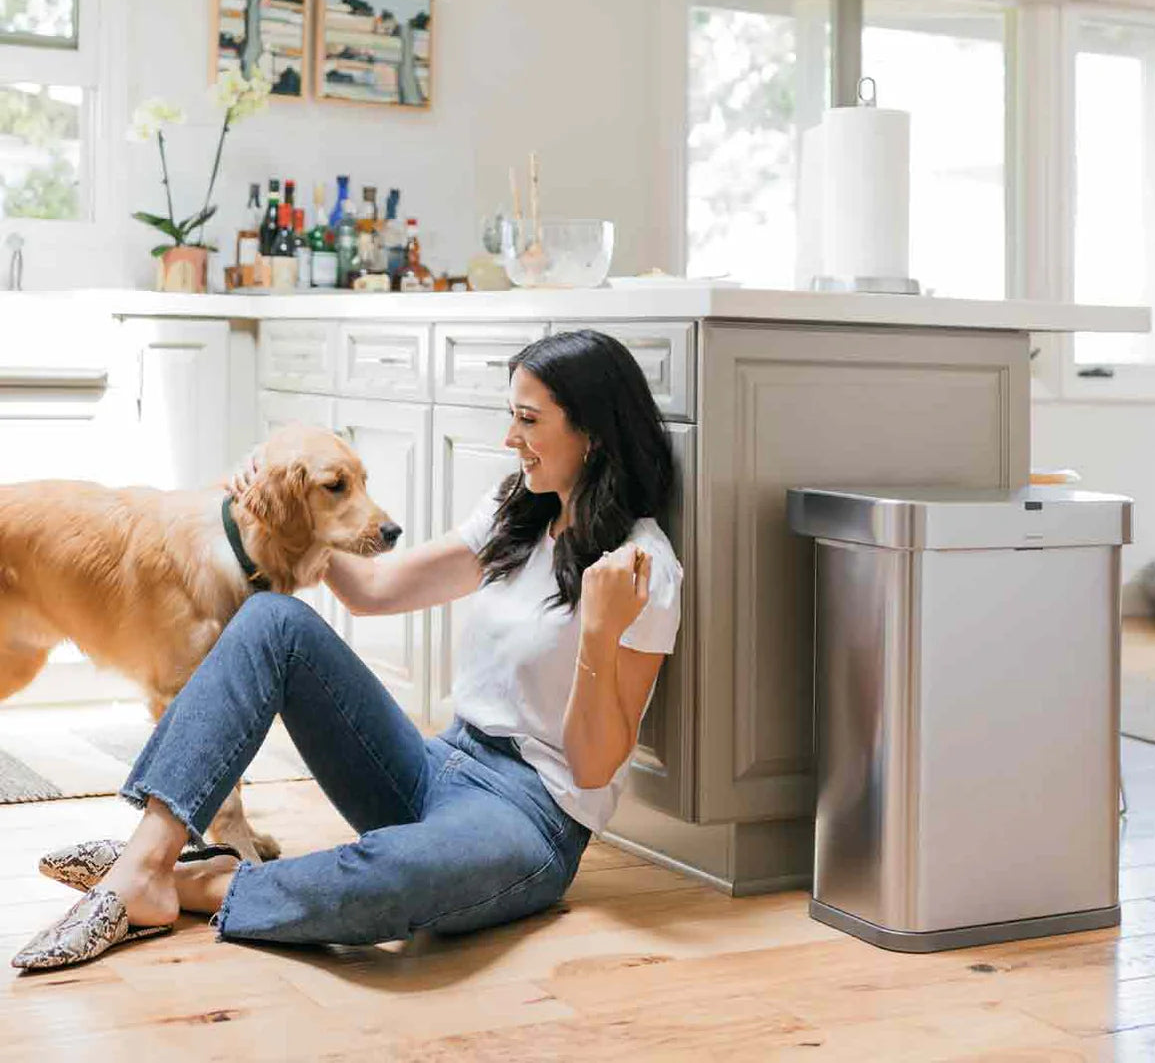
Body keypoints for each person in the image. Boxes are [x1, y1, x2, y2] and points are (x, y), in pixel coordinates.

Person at [12, 329, 683, 971]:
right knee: (272, 618)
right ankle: (147, 859)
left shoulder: (641, 567)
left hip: (532, 815)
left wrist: (597, 631)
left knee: (395, 877)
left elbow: (594, 771)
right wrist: (275, 497)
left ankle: (193, 883)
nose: (511, 439)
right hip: (436, 762)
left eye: (528, 421)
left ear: (592, 432)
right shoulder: (517, 513)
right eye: (512, 417)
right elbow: (375, 588)